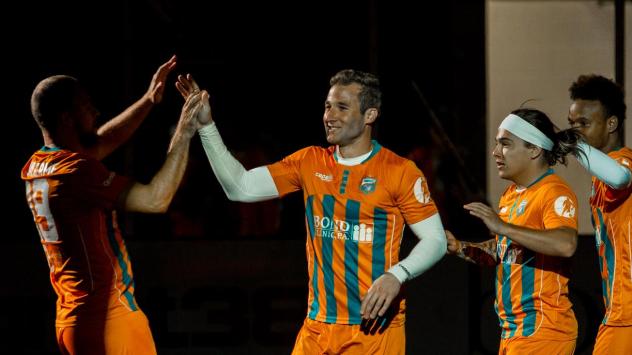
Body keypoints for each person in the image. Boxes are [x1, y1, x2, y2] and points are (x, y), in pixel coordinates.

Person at [176, 70, 447, 354]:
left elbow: (435, 240)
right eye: (328, 106)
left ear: (370, 115)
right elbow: (240, 187)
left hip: (374, 329)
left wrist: (397, 275)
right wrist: (206, 126)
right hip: (317, 329)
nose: (330, 116)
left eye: (342, 107)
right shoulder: (309, 162)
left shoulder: (399, 172)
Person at [21, 56, 204, 355]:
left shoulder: (38, 164)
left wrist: (148, 100)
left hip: (72, 320)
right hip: (108, 320)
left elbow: (99, 143)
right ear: (67, 118)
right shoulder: (76, 172)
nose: (95, 112)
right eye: (85, 106)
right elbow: (156, 199)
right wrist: (184, 131)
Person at [446, 108, 583, 354]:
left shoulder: (553, 192)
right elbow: (502, 252)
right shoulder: (511, 195)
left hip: (544, 331)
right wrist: (459, 247)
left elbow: (566, 244)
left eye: (505, 144)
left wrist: (503, 227)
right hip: (514, 332)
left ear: (534, 150)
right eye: (497, 144)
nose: (495, 152)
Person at [567, 74, 632, 354]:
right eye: (572, 124)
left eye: (584, 124)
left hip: (626, 311)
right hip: (618, 308)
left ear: (612, 124)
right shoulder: (599, 175)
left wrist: (570, 143)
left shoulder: (621, 161)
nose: (576, 131)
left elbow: (619, 177)